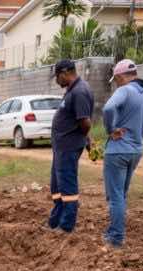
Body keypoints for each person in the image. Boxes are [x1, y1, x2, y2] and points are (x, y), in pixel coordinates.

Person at [99, 59, 143, 248]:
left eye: (116, 80)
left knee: (115, 195)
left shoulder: (125, 90)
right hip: (136, 150)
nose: (116, 83)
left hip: (118, 150)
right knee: (121, 194)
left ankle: (116, 236)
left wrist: (111, 129)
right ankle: (114, 230)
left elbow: (108, 108)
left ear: (120, 76)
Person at [46, 58, 93, 234]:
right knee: (57, 187)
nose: (57, 81)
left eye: (57, 77)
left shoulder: (80, 91)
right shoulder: (72, 90)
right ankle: (55, 221)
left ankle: (66, 226)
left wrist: (88, 142)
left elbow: (85, 122)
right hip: (61, 148)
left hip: (69, 147)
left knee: (67, 187)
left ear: (65, 73)